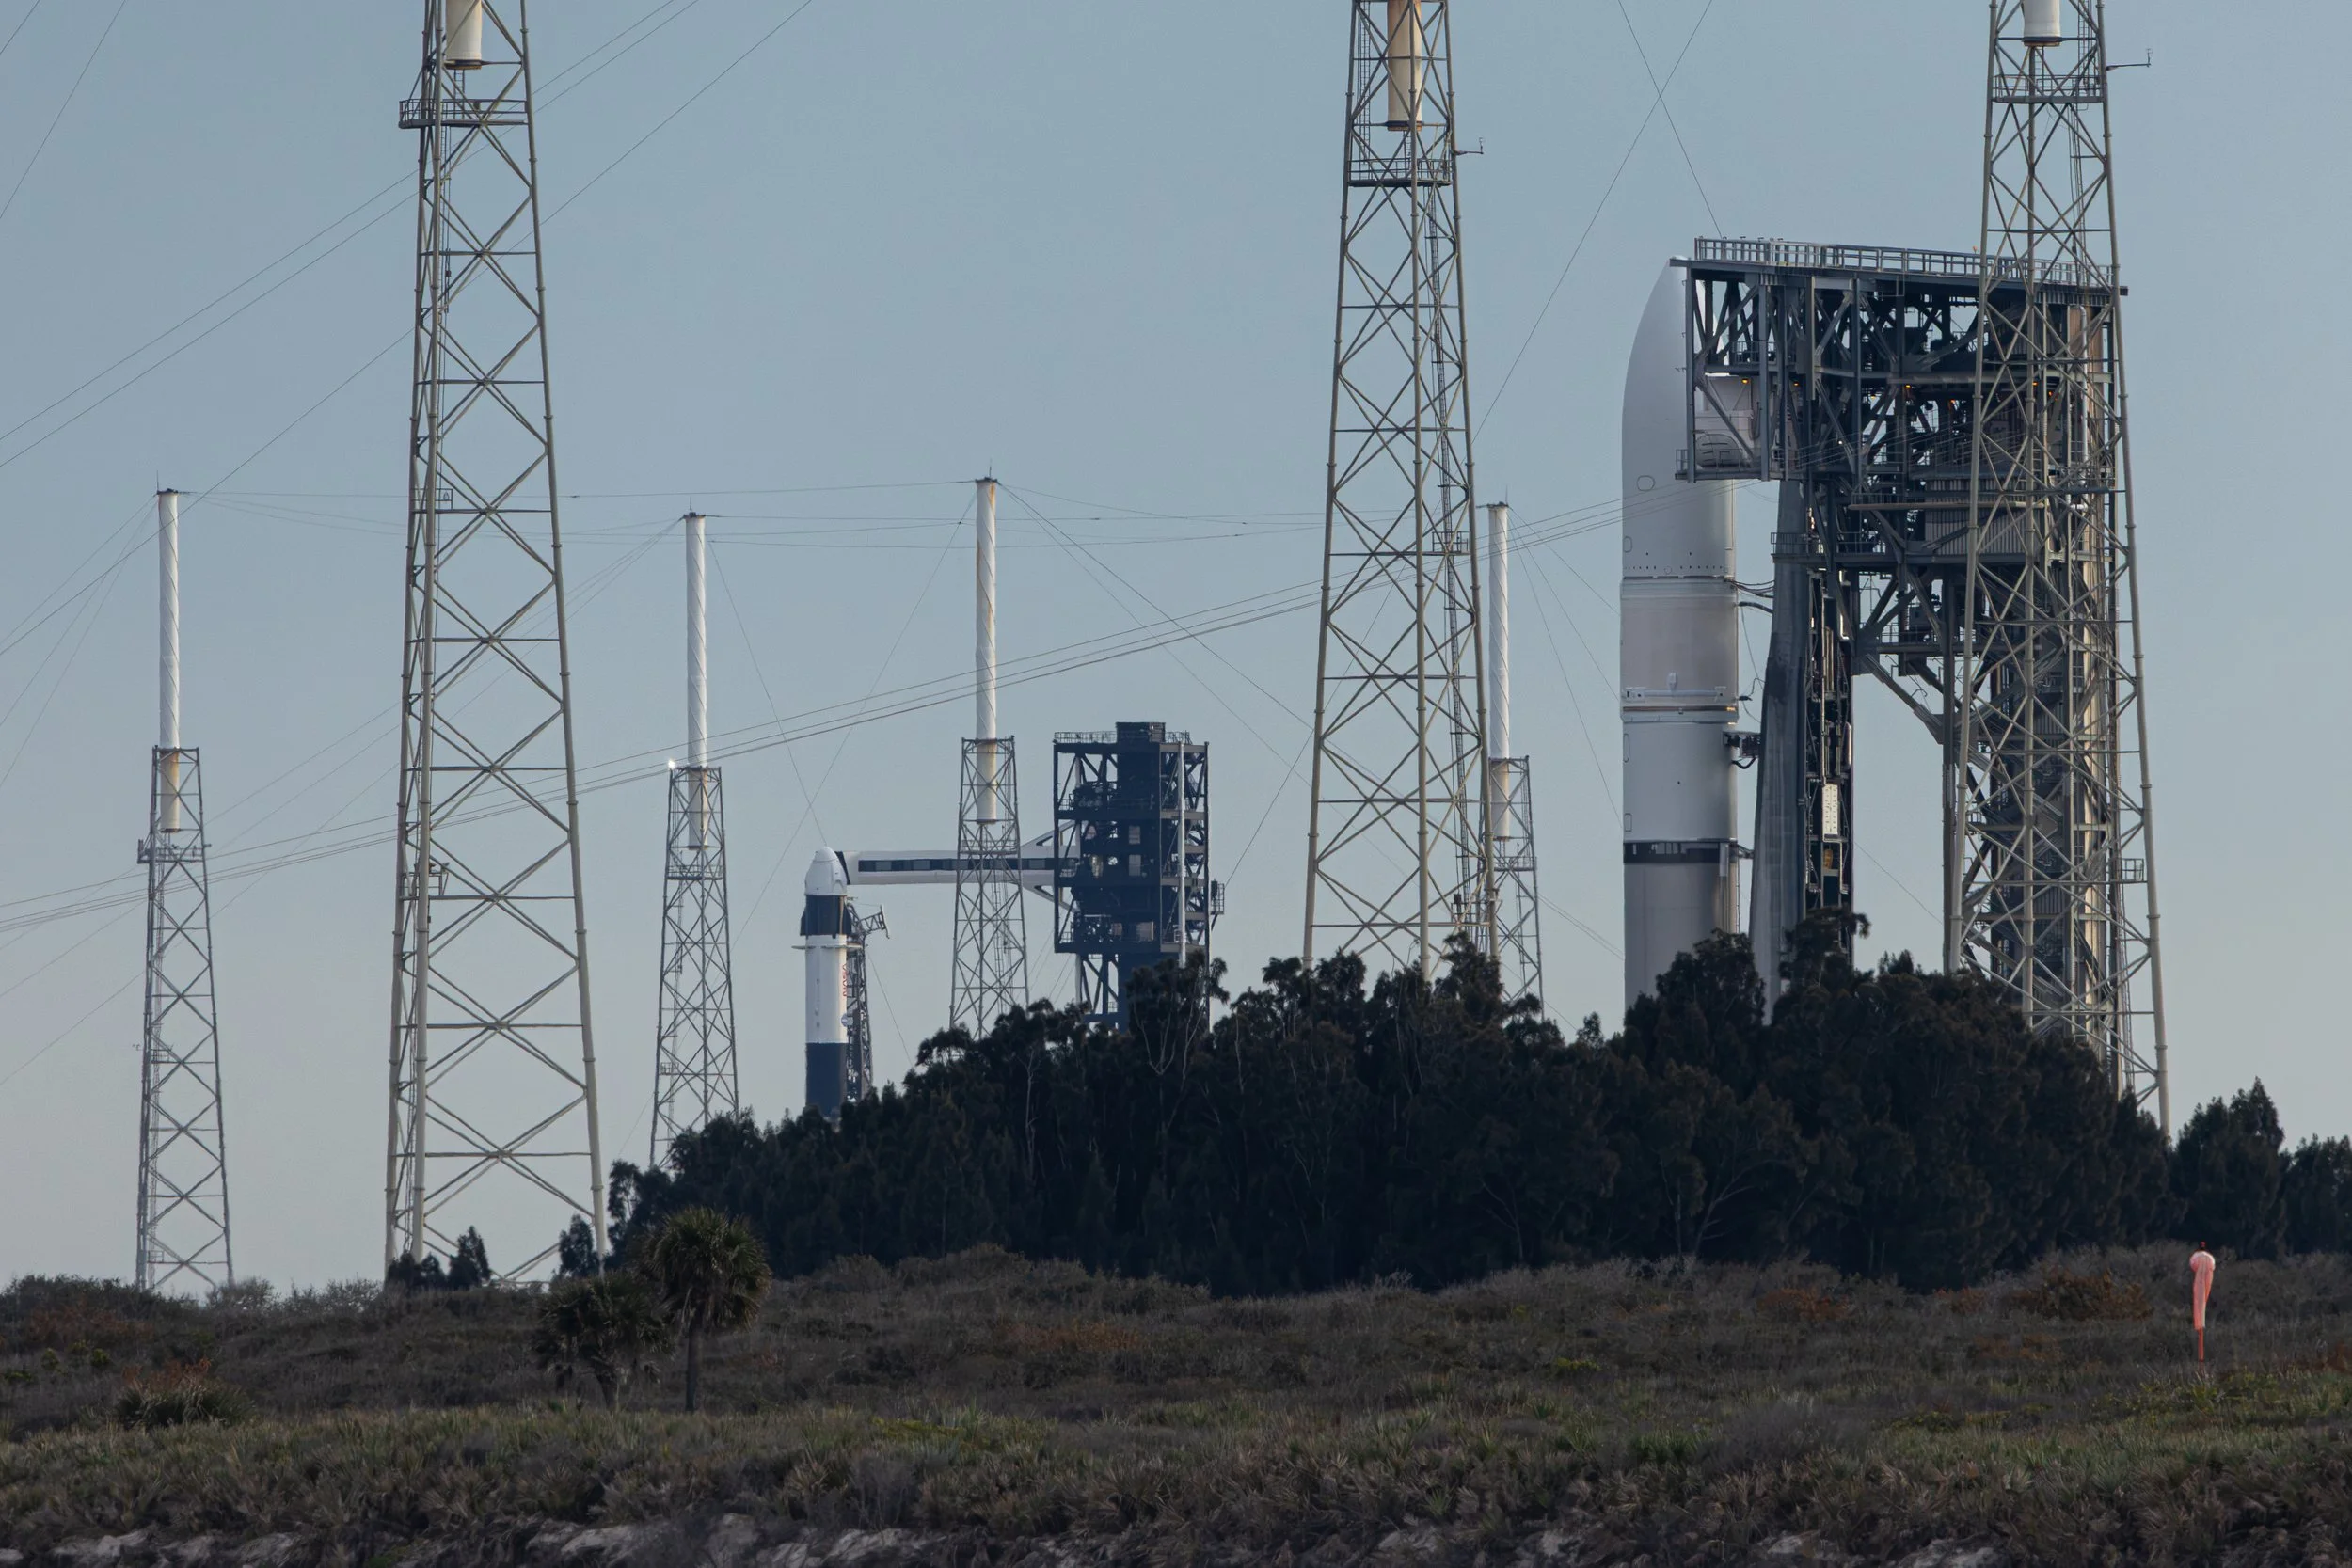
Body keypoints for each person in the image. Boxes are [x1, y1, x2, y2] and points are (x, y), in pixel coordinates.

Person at [2189, 1243, 2217, 1362]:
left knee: (2200, 1301)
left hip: (2201, 1281)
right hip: (2204, 1279)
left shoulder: (2197, 1258)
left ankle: (2201, 1356)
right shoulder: (2209, 1259)